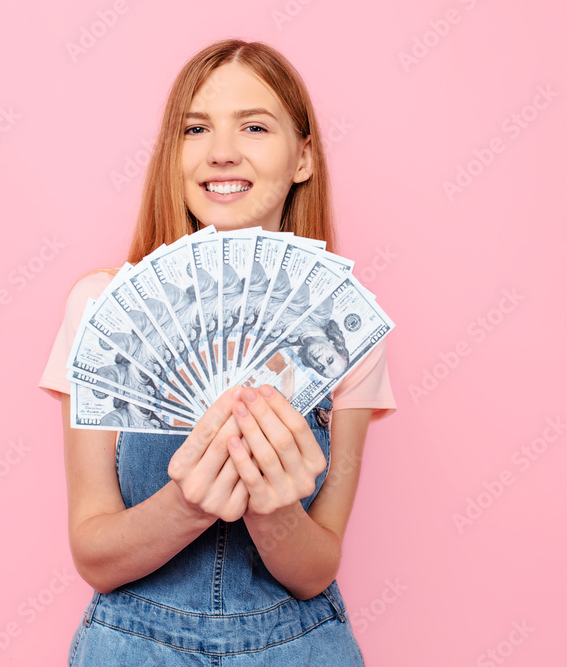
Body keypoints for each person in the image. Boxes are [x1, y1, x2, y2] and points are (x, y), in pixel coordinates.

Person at [38, 39, 396, 665]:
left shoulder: (344, 327)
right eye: (195, 128)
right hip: (133, 647)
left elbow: (316, 569)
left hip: (299, 647)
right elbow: (94, 554)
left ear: (303, 157)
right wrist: (187, 505)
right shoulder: (101, 308)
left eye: (254, 126)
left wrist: (273, 510)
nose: (221, 151)